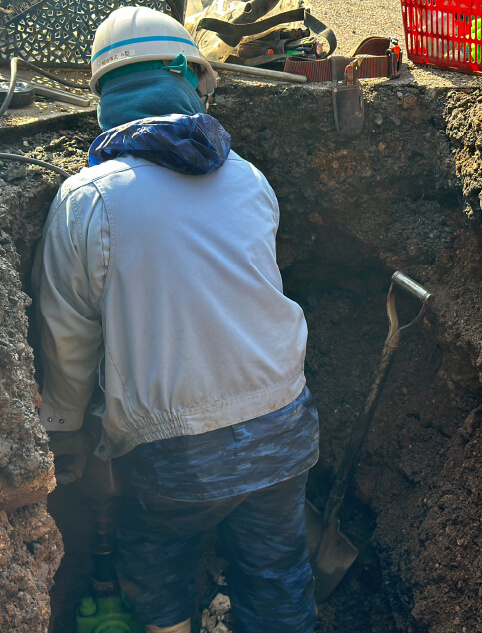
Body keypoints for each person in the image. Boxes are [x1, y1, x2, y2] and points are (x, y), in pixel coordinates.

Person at [31, 7, 319, 633]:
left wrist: (63, 427)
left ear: (105, 96)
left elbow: (68, 335)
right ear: (194, 81)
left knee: (156, 566)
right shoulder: (247, 177)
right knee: (277, 579)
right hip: (284, 424)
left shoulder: (90, 199)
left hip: (176, 454)